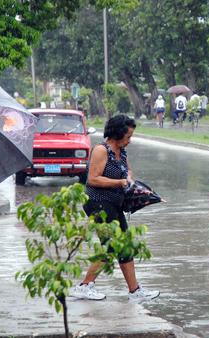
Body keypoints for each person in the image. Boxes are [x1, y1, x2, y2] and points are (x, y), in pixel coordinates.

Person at [71, 115, 160, 301]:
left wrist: (129, 179)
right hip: (98, 204)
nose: (130, 140)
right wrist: (120, 182)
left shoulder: (121, 151)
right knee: (110, 246)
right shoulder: (101, 150)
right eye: (127, 136)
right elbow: (93, 179)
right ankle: (84, 286)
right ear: (116, 134)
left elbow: (127, 170)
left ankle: (135, 292)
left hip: (114, 204)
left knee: (125, 246)